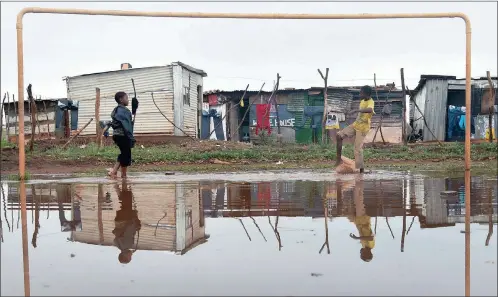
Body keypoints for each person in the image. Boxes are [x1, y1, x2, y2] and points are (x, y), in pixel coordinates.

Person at [335, 85, 375, 173]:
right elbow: (361, 115)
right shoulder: (362, 101)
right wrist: (352, 115)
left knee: (357, 149)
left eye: (361, 92)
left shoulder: (371, 102)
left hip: (363, 129)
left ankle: (361, 170)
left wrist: (357, 111)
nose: (359, 94)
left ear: (366, 94)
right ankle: (338, 160)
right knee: (339, 136)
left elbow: (370, 110)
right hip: (355, 125)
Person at [342, 178, 375, 262]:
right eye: (362, 254)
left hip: (357, 221)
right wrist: (357, 238)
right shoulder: (371, 246)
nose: (361, 253)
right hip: (363, 220)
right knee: (358, 198)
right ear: (367, 253)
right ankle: (358, 181)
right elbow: (371, 237)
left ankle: (347, 185)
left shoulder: (364, 246)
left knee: (346, 210)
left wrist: (359, 239)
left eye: (361, 254)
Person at [108, 92, 135, 179]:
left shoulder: (117, 110)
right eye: (126, 98)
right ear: (121, 100)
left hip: (117, 135)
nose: (128, 100)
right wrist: (130, 137)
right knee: (126, 155)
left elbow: (126, 122)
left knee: (124, 153)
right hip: (123, 135)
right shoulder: (124, 111)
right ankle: (123, 175)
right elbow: (126, 125)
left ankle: (114, 172)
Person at [113, 180, 141, 264]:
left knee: (127, 199)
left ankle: (124, 183)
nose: (131, 256)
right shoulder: (117, 245)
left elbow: (129, 230)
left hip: (126, 219)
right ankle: (119, 186)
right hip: (119, 219)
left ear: (125, 256)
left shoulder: (128, 244)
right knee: (124, 204)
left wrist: (135, 222)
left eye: (130, 257)